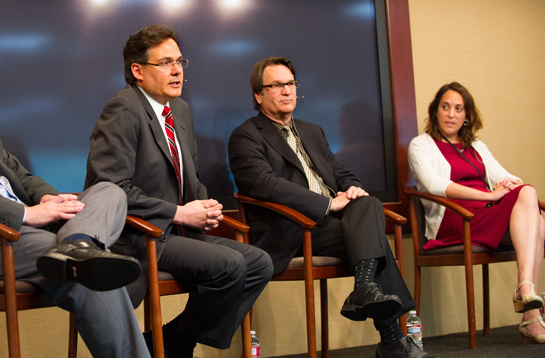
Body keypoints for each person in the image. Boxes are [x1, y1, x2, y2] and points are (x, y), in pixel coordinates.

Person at [0, 29, 151, 357]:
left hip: (27, 230)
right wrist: (26, 213)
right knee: (88, 272)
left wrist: (47, 198)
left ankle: (77, 244)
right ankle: (79, 251)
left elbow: (20, 175)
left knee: (108, 191)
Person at [84, 25, 273, 357]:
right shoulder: (123, 109)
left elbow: (187, 175)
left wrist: (203, 204)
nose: (177, 70)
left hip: (179, 231)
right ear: (137, 71)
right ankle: (177, 346)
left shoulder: (180, 110)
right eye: (166, 63)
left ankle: (174, 341)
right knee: (230, 265)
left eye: (180, 61)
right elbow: (110, 187)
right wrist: (178, 212)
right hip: (140, 236)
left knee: (259, 263)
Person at [229, 56, 436, 358]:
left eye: (291, 84)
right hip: (292, 230)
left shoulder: (312, 131)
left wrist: (353, 188)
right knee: (373, 239)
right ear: (258, 95)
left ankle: (365, 289)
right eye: (277, 85)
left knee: (368, 204)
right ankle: (391, 338)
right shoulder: (245, 136)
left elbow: (340, 171)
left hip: (334, 223)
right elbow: (264, 184)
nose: (287, 91)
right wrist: (327, 203)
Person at [408, 81, 545, 344]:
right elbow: (435, 185)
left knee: (531, 202)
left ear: (467, 115)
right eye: (445, 107)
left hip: (483, 216)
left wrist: (511, 185)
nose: (451, 114)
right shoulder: (421, 145)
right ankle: (530, 307)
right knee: (534, 213)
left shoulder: (476, 146)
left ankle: (527, 300)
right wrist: (490, 195)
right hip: (456, 220)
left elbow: (504, 175)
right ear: (435, 111)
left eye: (459, 109)